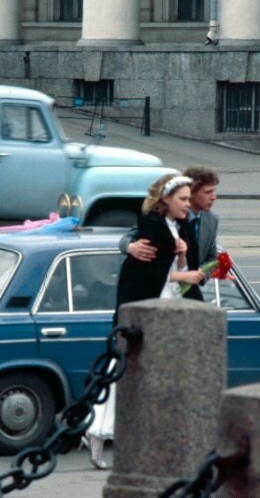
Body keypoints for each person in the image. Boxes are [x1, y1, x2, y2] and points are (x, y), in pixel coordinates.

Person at [84, 174, 205, 469]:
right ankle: (98, 432)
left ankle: (154, 437)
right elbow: (144, 275)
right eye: (183, 199)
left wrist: (182, 259)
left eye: (190, 199)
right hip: (147, 312)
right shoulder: (152, 229)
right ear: (165, 199)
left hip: (169, 309)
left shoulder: (183, 227)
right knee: (124, 375)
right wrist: (182, 274)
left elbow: (182, 271)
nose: (188, 205)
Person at [120, 167, 220, 270]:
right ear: (192, 193)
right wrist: (131, 247)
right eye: (208, 192)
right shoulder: (165, 218)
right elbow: (126, 239)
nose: (214, 197)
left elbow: (212, 259)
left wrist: (198, 276)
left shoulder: (211, 220)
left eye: (214, 191)